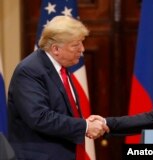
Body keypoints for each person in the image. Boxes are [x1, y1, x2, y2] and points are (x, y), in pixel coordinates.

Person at [7, 16, 109, 160]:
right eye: (76, 45)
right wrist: (84, 126)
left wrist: (84, 122)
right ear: (55, 49)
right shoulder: (30, 70)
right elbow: (40, 117)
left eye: (82, 43)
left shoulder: (61, 68)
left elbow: (64, 111)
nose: (82, 49)